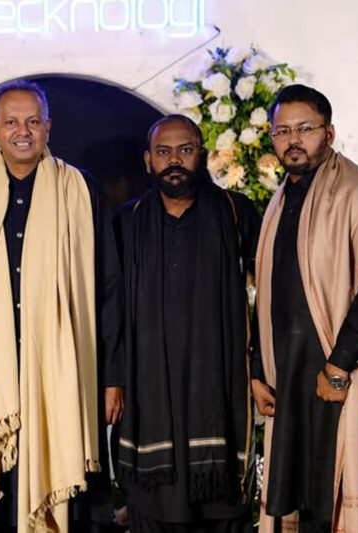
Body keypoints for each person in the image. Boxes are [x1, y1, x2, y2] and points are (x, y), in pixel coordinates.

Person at [252, 84, 358, 532]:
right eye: (282, 131)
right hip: (289, 372)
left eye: (304, 129)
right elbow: (269, 292)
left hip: (340, 368)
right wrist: (259, 369)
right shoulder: (281, 200)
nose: (293, 140)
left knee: (337, 497)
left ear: (328, 133)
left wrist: (338, 366)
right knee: (302, 500)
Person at [0, 80, 125, 532]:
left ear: (48, 128)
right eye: (11, 122)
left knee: (77, 501)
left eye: (33, 121)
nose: (23, 131)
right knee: (2, 494)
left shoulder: (81, 190)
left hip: (63, 367)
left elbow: (109, 286)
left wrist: (112, 377)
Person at [114, 115, 260, 533]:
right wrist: (112, 380)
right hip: (147, 390)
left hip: (219, 386)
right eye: (163, 152)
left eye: (185, 150)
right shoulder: (127, 221)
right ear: (148, 160)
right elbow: (109, 309)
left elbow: (270, 294)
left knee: (222, 509)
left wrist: (260, 368)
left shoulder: (236, 212)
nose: (174, 160)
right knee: (154, 509)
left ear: (203, 155)